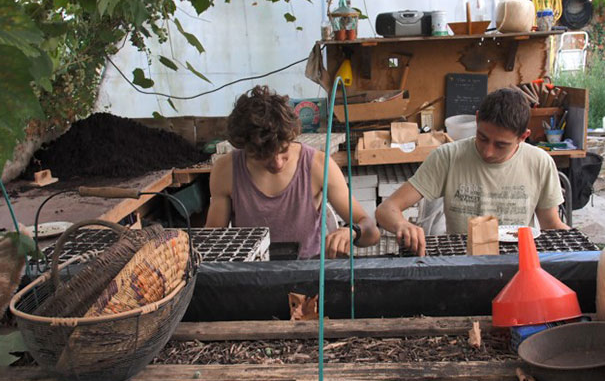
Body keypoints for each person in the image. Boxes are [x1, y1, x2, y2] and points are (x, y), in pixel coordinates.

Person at [376, 87, 569, 256]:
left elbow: (550, 224)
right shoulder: (448, 157)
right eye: (482, 137)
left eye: (501, 145)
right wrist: (402, 225)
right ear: (476, 120)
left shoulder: (539, 162)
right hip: (462, 263)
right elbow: (386, 209)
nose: (488, 151)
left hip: (518, 265)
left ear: (523, 137)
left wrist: (581, 245)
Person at [206, 85, 380, 259]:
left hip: (307, 273)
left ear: (291, 137)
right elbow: (213, 241)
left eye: (283, 151)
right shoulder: (226, 171)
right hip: (251, 274)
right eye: (263, 157)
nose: (277, 163)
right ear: (246, 148)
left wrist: (353, 231)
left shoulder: (318, 165)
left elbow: (372, 232)